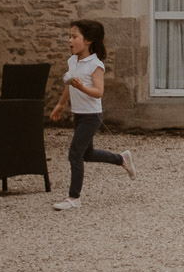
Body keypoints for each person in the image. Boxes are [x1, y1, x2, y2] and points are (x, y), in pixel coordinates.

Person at [49, 19, 134, 211]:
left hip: (92, 115)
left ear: (87, 40)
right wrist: (61, 105)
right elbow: (68, 85)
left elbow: (99, 92)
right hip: (78, 114)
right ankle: (121, 159)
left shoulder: (95, 64)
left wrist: (82, 87)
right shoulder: (72, 60)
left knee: (75, 154)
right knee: (87, 154)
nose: (69, 40)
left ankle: (74, 197)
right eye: (69, 36)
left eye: (74, 36)